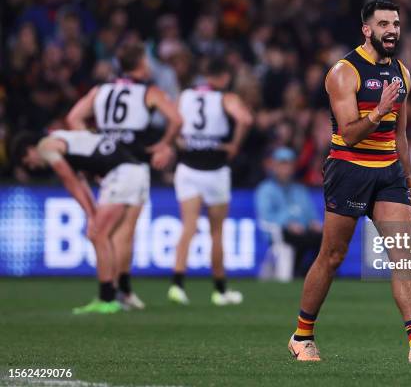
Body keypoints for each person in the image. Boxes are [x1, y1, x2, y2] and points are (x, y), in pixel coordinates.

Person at [287, 0, 411, 363]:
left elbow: (400, 136)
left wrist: (410, 186)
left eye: (396, 24)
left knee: (404, 257)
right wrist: (379, 109)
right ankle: (302, 336)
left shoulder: (402, 73)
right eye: (384, 24)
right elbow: (350, 134)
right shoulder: (343, 72)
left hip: (388, 174)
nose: (392, 30)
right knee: (332, 256)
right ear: (367, 30)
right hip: (349, 170)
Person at [67, 40, 182, 310]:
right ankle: (118, 291)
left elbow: (74, 118)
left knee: (115, 232)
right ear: (141, 64)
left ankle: (121, 291)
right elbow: (176, 119)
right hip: (133, 162)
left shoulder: (101, 90)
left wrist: (94, 149)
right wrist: (164, 144)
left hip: (108, 164)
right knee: (122, 232)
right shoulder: (149, 92)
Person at [12, 130, 149, 314]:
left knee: (98, 234)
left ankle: (107, 298)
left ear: (29, 149)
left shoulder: (45, 147)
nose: (33, 166)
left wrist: (91, 215)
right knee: (112, 235)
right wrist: (92, 211)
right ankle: (116, 293)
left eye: (27, 161)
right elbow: (80, 181)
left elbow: (69, 180)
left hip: (121, 173)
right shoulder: (62, 137)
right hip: (137, 171)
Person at [168, 60, 253, 306]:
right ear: (224, 76)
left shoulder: (185, 95)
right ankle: (219, 290)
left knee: (188, 227)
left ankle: (177, 284)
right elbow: (245, 119)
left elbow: (173, 121)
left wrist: (177, 142)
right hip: (215, 169)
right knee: (216, 232)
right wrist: (235, 145)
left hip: (188, 167)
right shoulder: (225, 97)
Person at [255, 147, 322, 277]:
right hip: (280, 233)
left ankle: (318, 275)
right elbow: (266, 217)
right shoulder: (265, 189)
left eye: (288, 165)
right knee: (296, 238)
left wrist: (314, 223)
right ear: (274, 166)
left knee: (322, 238)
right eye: (282, 165)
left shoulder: (299, 189)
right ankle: (298, 273)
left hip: (303, 233)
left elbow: (310, 214)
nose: (285, 169)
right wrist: (287, 224)